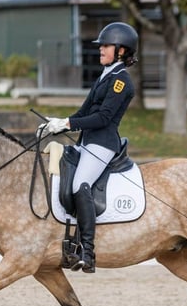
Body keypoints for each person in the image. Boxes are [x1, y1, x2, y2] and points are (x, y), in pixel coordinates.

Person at [39, 22, 138, 273]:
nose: (101, 49)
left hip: (103, 144)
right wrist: (57, 124)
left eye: (106, 45)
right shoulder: (104, 76)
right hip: (87, 142)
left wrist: (69, 122)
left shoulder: (121, 81)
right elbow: (84, 113)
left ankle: (88, 251)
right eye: (101, 46)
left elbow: (103, 118)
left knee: (79, 184)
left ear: (122, 51)